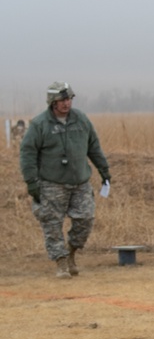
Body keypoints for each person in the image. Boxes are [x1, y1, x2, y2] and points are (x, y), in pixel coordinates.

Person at [20, 82, 111, 277]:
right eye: (62, 100)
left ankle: (71, 252)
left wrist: (104, 171)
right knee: (51, 224)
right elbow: (27, 153)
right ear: (52, 102)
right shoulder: (40, 124)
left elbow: (93, 147)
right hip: (51, 183)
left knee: (85, 219)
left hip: (80, 182)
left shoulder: (81, 120)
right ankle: (61, 263)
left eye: (69, 99)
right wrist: (31, 182)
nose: (66, 104)